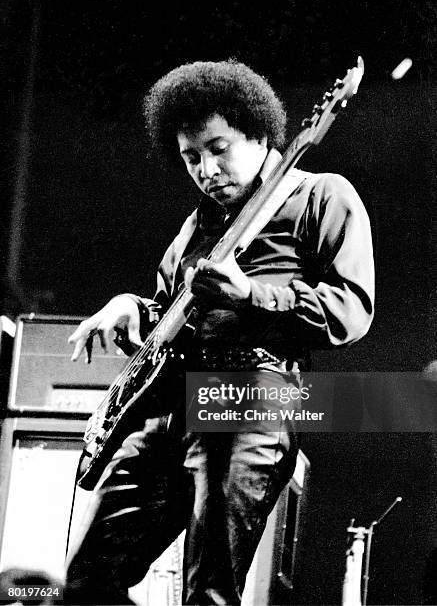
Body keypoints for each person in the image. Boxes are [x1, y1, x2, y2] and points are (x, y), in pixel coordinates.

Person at [64, 60, 374, 605]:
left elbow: (351, 310)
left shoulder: (323, 195)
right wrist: (129, 307)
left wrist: (251, 294)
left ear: (257, 131)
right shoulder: (195, 227)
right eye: (191, 158)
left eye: (218, 148)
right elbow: (167, 312)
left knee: (208, 592)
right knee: (85, 581)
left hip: (246, 395)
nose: (206, 169)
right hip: (170, 405)